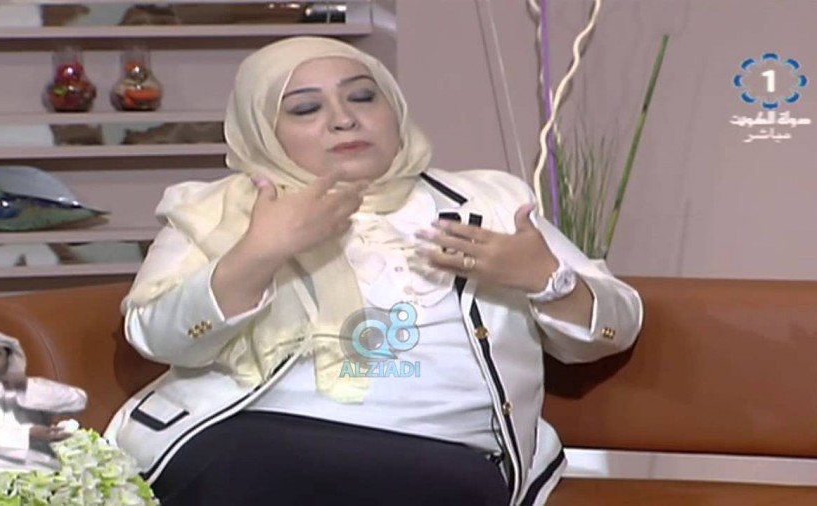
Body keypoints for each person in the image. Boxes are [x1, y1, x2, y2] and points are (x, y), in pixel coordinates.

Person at [104, 36, 643, 506]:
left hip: (443, 452)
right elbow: (157, 336)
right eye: (305, 108)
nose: (344, 119)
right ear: (262, 130)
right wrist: (260, 252)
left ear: (394, 109)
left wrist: (546, 279)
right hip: (246, 438)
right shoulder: (216, 210)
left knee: (419, 483)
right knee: (255, 469)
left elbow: (618, 325)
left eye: (363, 96)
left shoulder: (493, 202)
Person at [0, 330, 87, 473]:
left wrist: (26, 387)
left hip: (34, 469)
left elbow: (78, 401)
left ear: (9, 358)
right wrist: (28, 435)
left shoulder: (30, 386)